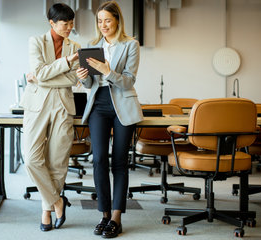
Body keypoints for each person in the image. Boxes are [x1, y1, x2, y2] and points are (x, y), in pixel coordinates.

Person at [76, 1, 143, 238]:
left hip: (122, 104)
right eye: (99, 21)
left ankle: (116, 217)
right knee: (99, 160)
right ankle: (103, 214)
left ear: (117, 20)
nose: (103, 25)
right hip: (98, 105)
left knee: (119, 162)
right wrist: (83, 77)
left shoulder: (130, 45)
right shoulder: (92, 46)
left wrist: (107, 71)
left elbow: (128, 81)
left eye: (107, 20)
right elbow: (89, 85)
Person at [19, 3, 80, 232]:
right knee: (32, 158)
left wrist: (42, 76)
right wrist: (64, 64)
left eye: (72, 23)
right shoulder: (35, 41)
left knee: (57, 161)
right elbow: (41, 71)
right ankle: (57, 201)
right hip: (37, 105)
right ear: (52, 23)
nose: (69, 27)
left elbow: (73, 80)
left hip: (63, 105)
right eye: (65, 23)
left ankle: (46, 210)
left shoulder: (75, 46)